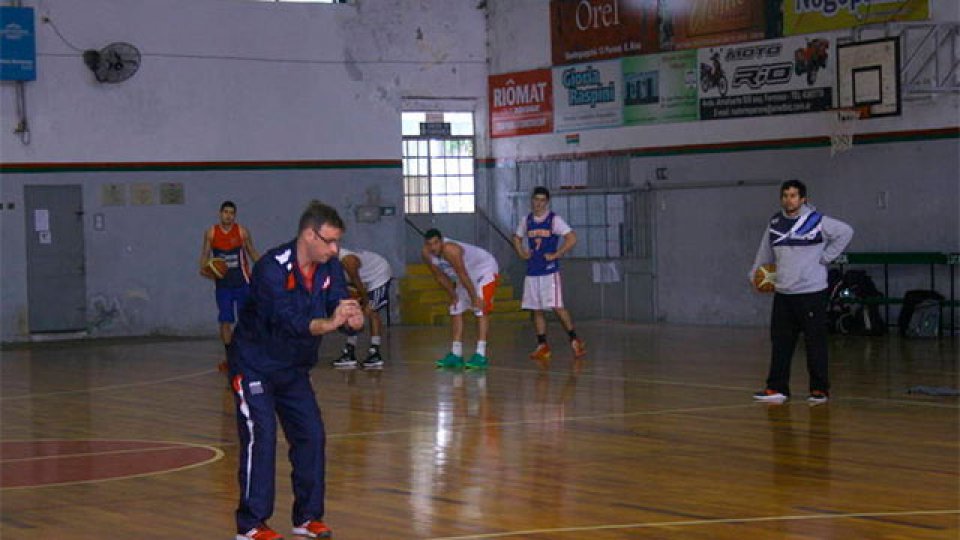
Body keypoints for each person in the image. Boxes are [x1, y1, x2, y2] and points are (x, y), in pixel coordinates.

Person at [228, 201, 363, 540]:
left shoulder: (329, 268)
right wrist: (330, 323)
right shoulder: (271, 268)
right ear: (308, 234)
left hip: (293, 369)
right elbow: (288, 321)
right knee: (261, 436)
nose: (334, 250)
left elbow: (338, 303)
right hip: (254, 364)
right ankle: (252, 523)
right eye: (328, 241)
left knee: (311, 436)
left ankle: (307, 517)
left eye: (337, 243)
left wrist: (351, 322)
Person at [750, 179, 853, 405]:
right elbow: (764, 251)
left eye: (794, 195)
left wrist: (826, 257)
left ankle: (819, 390)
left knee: (815, 343)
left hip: (811, 293)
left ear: (803, 198)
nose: (789, 199)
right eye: (785, 195)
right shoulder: (775, 223)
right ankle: (776, 388)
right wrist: (754, 274)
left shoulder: (817, 221)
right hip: (784, 294)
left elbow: (846, 232)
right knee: (780, 342)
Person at [512, 187, 586, 361]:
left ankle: (575, 340)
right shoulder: (526, 220)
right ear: (532, 200)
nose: (538, 203)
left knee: (557, 307)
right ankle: (542, 345)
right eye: (536, 199)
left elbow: (572, 238)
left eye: (542, 200)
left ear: (547, 202)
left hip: (549, 271)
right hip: (532, 271)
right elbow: (516, 237)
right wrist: (522, 253)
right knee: (536, 310)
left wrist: (556, 254)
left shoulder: (554, 220)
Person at [422, 229, 499, 370]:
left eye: (435, 243)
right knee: (455, 307)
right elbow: (439, 277)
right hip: (465, 275)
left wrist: (475, 298)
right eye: (429, 244)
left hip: (484, 269)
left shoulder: (451, 250)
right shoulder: (427, 254)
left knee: (480, 309)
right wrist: (453, 295)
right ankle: (456, 354)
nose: (433, 247)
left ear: (442, 241)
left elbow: (462, 274)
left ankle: (481, 354)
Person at [200, 200, 259, 371]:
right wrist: (204, 269)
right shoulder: (211, 233)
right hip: (223, 285)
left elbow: (252, 251)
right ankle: (230, 358)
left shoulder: (241, 232)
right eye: (225, 212)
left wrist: (263, 267)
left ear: (235, 215)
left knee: (246, 321)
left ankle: (247, 356)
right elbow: (204, 255)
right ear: (220, 214)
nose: (228, 215)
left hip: (242, 283)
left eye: (231, 212)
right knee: (225, 321)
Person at [333, 247, 392, 369]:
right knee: (351, 310)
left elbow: (357, 281)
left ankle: (374, 351)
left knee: (371, 310)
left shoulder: (347, 260)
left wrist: (365, 301)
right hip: (361, 280)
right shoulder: (324, 263)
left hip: (378, 273)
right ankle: (350, 351)